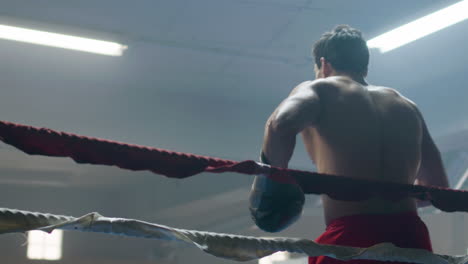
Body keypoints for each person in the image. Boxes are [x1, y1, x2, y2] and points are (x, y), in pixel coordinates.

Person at [248, 25, 450, 264]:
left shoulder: (319, 88)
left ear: (323, 65)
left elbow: (280, 124)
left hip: (353, 238)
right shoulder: (406, 105)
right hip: (411, 239)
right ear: (364, 66)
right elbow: (438, 189)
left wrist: (274, 184)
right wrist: (389, 196)